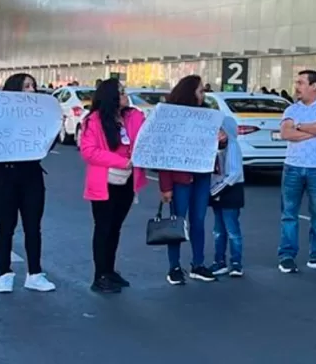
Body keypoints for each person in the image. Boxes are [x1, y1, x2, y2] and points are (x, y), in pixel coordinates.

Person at [0, 73, 57, 293]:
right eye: (26, 86)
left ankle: (34, 273)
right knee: (6, 227)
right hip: (4, 177)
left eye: (33, 86)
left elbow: (45, 146)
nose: (31, 90)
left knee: (33, 227)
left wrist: (56, 126)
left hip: (31, 176)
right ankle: (4, 273)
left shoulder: (39, 117)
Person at [79, 78, 147, 293]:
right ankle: (99, 275)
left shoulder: (133, 117)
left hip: (127, 181)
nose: (126, 95)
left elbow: (147, 138)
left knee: (115, 228)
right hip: (105, 182)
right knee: (103, 228)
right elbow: (89, 152)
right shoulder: (94, 121)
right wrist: (121, 161)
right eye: (121, 92)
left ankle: (109, 270)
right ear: (111, 97)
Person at [278, 70, 316, 274]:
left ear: (314, 86)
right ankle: (287, 256)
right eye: (296, 82)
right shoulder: (291, 109)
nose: (297, 86)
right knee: (289, 214)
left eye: (301, 83)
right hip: (293, 166)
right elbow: (285, 133)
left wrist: (300, 128)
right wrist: (313, 133)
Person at [159, 75, 218, 285]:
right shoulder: (170, 116)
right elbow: (163, 153)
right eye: (201, 90)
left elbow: (213, 145)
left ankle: (198, 264)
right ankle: (174, 267)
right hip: (179, 178)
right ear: (190, 92)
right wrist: (165, 187)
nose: (204, 95)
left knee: (199, 221)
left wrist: (221, 140)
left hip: (201, 175)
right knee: (177, 222)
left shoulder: (207, 115)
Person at [210, 115, 246, 276]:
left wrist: (216, 190)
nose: (218, 134)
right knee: (218, 230)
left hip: (230, 191)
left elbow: (234, 173)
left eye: (221, 131)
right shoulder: (215, 147)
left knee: (232, 230)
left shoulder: (233, 147)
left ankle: (236, 263)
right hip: (216, 191)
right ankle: (219, 261)